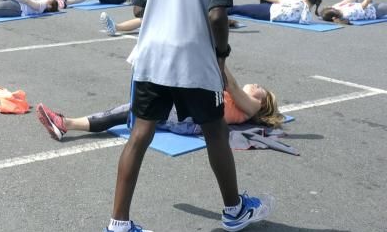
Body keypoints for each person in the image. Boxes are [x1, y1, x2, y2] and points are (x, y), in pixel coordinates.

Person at [97, 0, 274, 232]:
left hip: (152, 55)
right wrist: (222, 52)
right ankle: (233, 210)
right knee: (215, 134)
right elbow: (216, 15)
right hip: (194, 59)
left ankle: (117, 227)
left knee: (140, 134)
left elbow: (139, 7)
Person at [37, 65, 284, 141]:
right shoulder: (241, 101)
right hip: (192, 114)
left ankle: (65, 123)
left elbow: (230, 83)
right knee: (129, 111)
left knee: (130, 111)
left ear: (263, 103)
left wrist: (219, 57)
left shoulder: (250, 106)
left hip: (191, 121)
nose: (256, 85)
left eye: (261, 89)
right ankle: (66, 122)